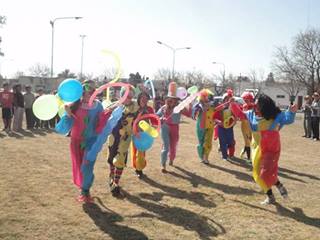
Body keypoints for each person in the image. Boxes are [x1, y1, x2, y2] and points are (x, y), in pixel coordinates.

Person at [230, 94, 297, 204]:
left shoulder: (275, 116)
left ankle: (270, 196)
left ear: (264, 106)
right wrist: (232, 104)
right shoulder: (251, 114)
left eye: (258, 103)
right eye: (255, 102)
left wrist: (292, 112)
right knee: (260, 174)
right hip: (257, 148)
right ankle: (278, 187)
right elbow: (240, 114)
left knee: (262, 174)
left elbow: (288, 119)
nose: (255, 105)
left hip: (271, 148)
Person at [56, 80, 111, 203]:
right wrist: (68, 115)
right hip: (76, 142)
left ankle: (85, 190)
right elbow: (64, 127)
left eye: (92, 90)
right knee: (79, 167)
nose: (89, 92)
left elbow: (101, 123)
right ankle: (83, 189)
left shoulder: (98, 106)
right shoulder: (75, 105)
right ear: (81, 91)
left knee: (87, 166)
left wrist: (107, 114)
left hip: (91, 141)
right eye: (86, 90)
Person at [106, 85, 139, 197]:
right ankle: (111, 176)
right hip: (113, 136)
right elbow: (106, 116)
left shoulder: (135, 107)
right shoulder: (115, 106)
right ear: (122, 95)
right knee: (111, 158)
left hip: (125, 138)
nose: (129, 97)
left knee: (120, 159)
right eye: (126, 95)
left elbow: (142, 116)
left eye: (131, 95)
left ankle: (116, 183)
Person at [157, 82, 192, 173]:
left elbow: (188, 114)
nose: (172, 101)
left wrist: (190, 104)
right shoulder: (164, 108)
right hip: (165, 128)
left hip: (175, 129)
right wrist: (161, 118)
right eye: (170, 99)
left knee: (173, 147)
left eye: (174, 99)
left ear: (177, 100)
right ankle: (163, 164)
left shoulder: (179, 108)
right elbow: (156, 116)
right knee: (166, 146)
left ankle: (171, 159)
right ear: (167, 99)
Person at [131, 91, 155, 178]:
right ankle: (137, 168)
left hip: (145, 133)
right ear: (139, 99)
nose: (144, 100)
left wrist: (160, 121)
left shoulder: (149, 109)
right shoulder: (134, 108)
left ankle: (140, 168)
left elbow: (154, 121)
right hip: (135, 132)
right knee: (135, 151)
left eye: (146, 98)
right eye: (142, 98)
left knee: (142, 151)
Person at [192, 89, 215, 164]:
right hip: (201, 126)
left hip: (210, 126)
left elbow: (216, 110)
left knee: (208, 142)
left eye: (207, 97)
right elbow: (194, 114)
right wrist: (201, 109)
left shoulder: (212, 105)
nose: (206, 98)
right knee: (201, 142)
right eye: (204, 97)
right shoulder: (198, 106)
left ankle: (206, 157)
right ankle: (202, 156)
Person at [212, 90, 237, 161]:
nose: (228, 101)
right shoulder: (220, 108)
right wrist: (219, 122)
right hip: (221, 127)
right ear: (223, 100)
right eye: (226, 99)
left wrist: (234, 121)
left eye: (229, 99)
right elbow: (214, 117)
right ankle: (224, 156)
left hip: (229, 128)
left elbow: (236, 117)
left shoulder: (233, 108)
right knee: (222, 142)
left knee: (231, 141)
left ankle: (231, 154)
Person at [239, 91, 255, 160]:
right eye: (245, 99)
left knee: (250, 141)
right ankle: (249, 158)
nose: (245, 100)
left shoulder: (253, 106)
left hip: (251, 126)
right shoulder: (244, 106)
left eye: (247, 99)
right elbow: (243, 115)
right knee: (247, 142)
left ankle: (243, 152)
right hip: (244, 125)